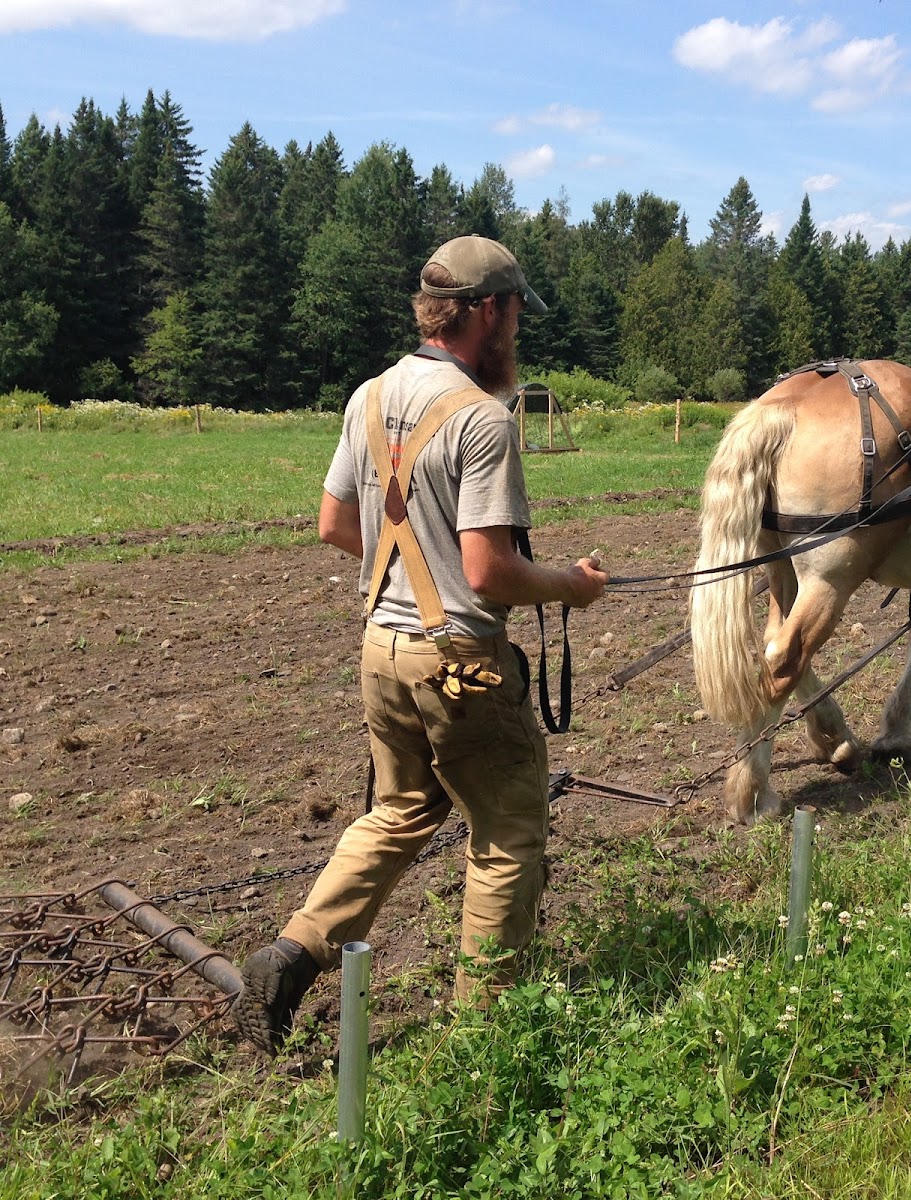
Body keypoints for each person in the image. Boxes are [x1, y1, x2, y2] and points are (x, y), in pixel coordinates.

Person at [233, 235, 608, 1055]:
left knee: (398, 811)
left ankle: (292, 954)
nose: (518, 330)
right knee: (508, 834)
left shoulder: (369, 396)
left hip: (382, 648)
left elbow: (336, 524)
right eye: (513, 311)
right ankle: (488, 1039)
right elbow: (489, 571)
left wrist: (407, 573)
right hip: (461, 666)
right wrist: (572, 586)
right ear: (484, 312)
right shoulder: (481, 417)